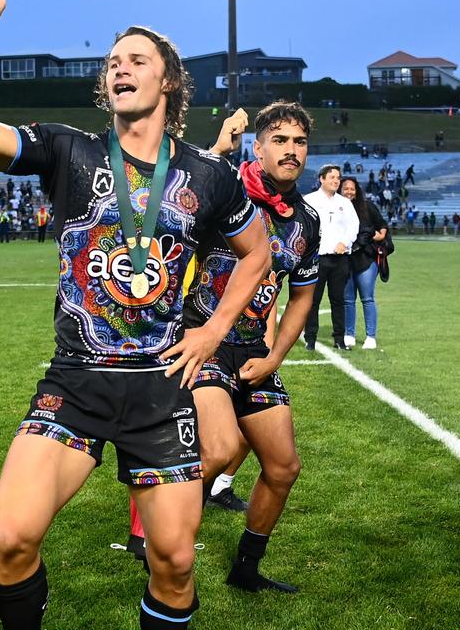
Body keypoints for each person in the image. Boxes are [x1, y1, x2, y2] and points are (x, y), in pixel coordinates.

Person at [0, 0, 268, 630]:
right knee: (11, 538)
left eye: (136, 60)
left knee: (172, 561)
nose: (121, 68)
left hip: (161, 387)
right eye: (113, 62)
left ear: (168, 80)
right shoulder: (69, 150)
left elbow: (257, 254)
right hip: (76, 381)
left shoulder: (208, 174)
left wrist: (211, 332)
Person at [181, 100, 321, 594]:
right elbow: (182, 186)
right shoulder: (226, 190)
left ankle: (245, 569)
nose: (291, 151)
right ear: (257, 147)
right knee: (217, 449)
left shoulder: (305, 221)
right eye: (279, 141)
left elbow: (302, 294)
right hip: (202, 341)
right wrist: (219, 147)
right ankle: (163, 545)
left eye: (299, 142)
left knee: (283, 468)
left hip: (252, 354)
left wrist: (276, 357)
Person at [302, 165, 357, 350]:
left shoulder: (345, 203)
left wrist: (346, 242)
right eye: (332, 177)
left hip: (339, 258)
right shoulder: (308, 201)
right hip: (316, 258)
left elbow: (353, 226)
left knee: (338, 299)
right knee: (313, 300)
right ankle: (310, 338)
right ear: (321, 179)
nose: (336, 181)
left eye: (338, 178)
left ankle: (339, 338)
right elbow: (303, 227)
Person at [338, 176, 386, 350]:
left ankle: (370, 336)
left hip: (366, 258)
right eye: (345, 189)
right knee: (348, 299)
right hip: (344, 259)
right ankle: (349, 334)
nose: (349, 192)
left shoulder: (367, 206)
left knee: (367, 298)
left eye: (352, 189)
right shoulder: (336, 207)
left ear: (356, 190)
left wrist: (380, 235)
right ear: (340, 190)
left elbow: (382, 224)